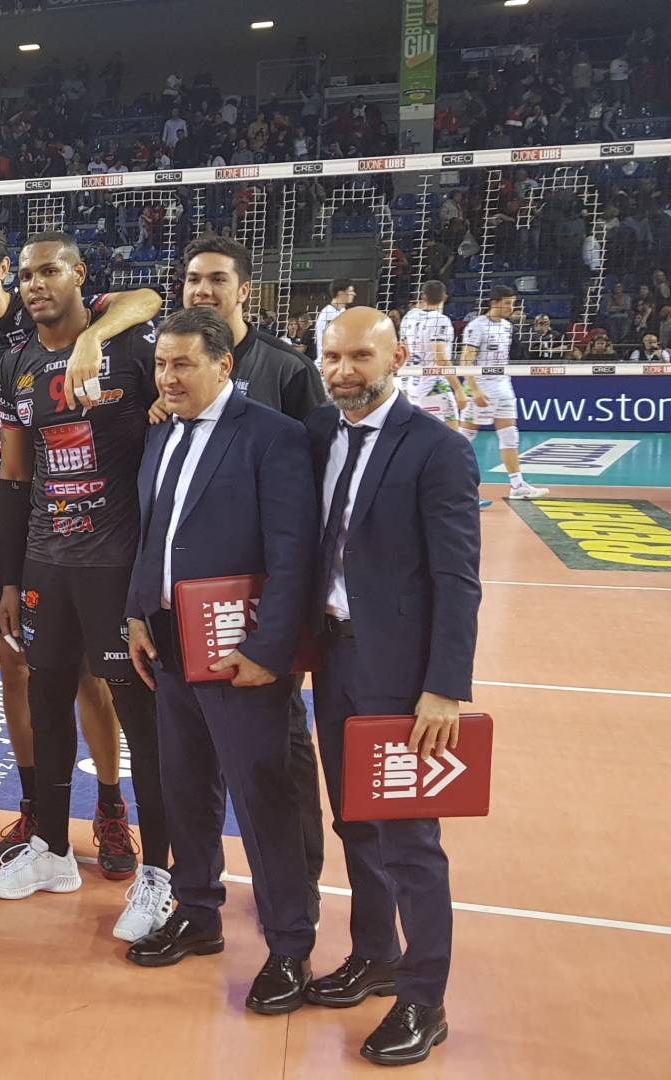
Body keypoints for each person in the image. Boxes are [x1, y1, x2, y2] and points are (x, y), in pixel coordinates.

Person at [120, 307, 319, 1010]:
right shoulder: (161, 433)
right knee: (185, 785)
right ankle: (199, 912)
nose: (167, 378)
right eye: (161, 365)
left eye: (183, 365)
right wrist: (137, 612)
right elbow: (153, 533)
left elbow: (294, 554)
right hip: (170, 642)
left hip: (241, 651)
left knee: (263, 798)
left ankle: (290, 946)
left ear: (223, 364)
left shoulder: (274, 436)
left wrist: (270, 651)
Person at [0, 221, 159, 867]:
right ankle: (39, 810)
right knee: (27, 677)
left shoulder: (95, 329)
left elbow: (146, 299)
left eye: (47, 272)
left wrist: (93, 337)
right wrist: (10, 572)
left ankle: (113, 809)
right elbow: (14, 475)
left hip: (106, 548)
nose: (37, 284)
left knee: (101, 683)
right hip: (19, 536)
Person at [307, 308, 479, 1067]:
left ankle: (424, 999)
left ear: (398, 358)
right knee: (353, 821)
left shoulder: (438, 450)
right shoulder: (320, 431)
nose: (343, 371)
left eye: (360, 357)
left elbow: (457, 578)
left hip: (404, 679)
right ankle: (374, 953)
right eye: (332, 357)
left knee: (410, 840)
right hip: (333, 659)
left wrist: (444, 687)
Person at [178, 234, 329, 918]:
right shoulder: (174, 368)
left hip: (262, 607)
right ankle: (197, 895)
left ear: (244, 291)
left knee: (280, 750)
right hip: (191, 604)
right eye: (193, 280)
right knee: (195, 755)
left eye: (216, 280)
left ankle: (297, 889)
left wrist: (285, 622)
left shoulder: (287, 371)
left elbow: (313, 496)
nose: (202, 290)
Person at [460, 287, 548, 501]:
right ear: (494, 302)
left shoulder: (508, 327)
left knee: (510, 436)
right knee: (463, 439)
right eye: (508, 303)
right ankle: (444, 483)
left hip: (503, 386)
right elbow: (465, 361)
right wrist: (474, 389)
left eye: (513, 303)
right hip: (481, 386)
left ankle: (517, 486)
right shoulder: (477, 326)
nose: (512, 307)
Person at [399, 281, 459, 430]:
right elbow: (441, 359)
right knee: (454, 437)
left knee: (421, 435)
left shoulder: (409, 316)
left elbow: (404, 352)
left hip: (414, 386)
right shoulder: (441, 320)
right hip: (435, 385)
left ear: (423, 297)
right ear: (444, 297)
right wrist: (458, 389)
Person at [315, 279, 355, 367]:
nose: (353, 294)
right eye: (350, 291)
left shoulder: (344, 311)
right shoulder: (327, 313)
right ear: (341, 293)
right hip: (328, 363)